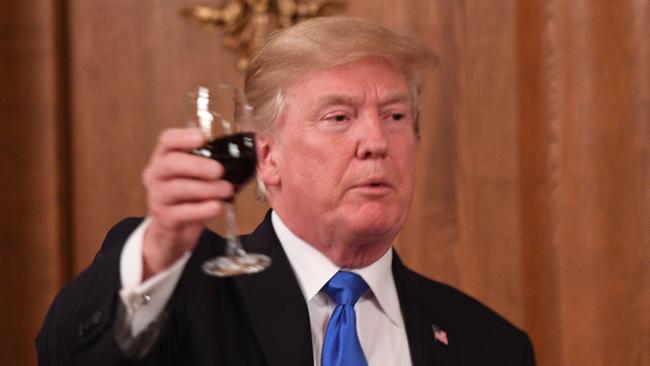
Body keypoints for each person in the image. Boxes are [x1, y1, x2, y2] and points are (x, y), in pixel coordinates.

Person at [36, 16, 536, 366]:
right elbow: (65, 356)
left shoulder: (490, 345)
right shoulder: (187, 296)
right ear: (268, 156)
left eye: (396, 117)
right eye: (338, 117)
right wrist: (160, 246)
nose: (376, 142)